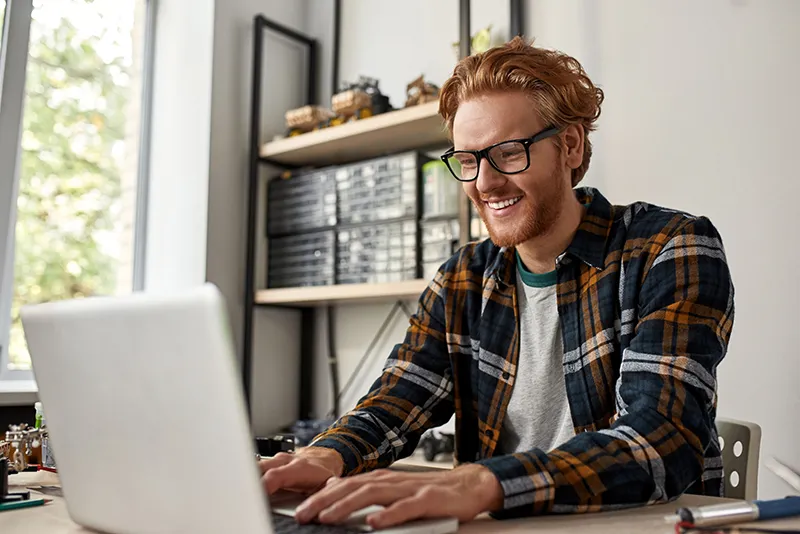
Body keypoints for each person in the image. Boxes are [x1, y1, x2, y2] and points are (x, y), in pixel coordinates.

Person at [259, 36, 734, 529]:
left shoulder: (670, 248)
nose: (483, 183)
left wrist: (480, 483)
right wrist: (326, 456)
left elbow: (662, 437)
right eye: (467, 160)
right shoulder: (460, 280)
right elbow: (395, 401)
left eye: (508, 152)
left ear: (569, 145)